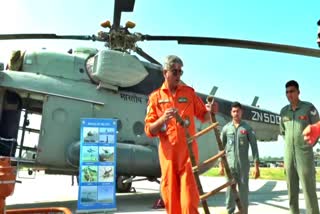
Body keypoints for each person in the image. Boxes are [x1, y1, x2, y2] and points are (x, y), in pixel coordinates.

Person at [144, 55, 215, 214]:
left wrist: (211, 112)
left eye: (180, 72)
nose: (178, 75)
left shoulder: (189, 93)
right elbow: (149, 130)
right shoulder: (155, 98)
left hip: (188, 156)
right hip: (168, 158)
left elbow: (204, 115)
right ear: (165, 72)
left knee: (189, 202)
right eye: (174, 72)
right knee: (171, 202)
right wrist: (163, 119)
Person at [280, 80, 319, 214]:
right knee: (291, 192)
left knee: (309, 191)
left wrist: (307, 146)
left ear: (298, 92)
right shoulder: (284, 111)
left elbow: (317, 129)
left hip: (304, 155)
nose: (289, 94)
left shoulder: (308, 108)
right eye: (287, 92)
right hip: (289, 156)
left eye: (292, 91)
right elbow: (283, 132)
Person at [220, 101, 260, 214]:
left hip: (243, 167)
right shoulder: (226, 129)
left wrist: (256, 166)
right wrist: (221, 165)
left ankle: (243, 212)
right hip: (230, 167)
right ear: (231, 113)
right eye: (234, 111)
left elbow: (254, 147)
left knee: (243, 193)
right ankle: (230, 212)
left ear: (241, 112)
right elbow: (221, 148)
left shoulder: (247, 128)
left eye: (238, 111)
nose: (236, 113)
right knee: (229, 193)